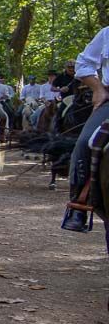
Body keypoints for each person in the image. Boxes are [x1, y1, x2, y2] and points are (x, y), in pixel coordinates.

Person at [61, 27, 109, 234]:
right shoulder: (107, 33)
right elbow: (83, 64)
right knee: (84, 143)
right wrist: (98, 89)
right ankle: (79, 204)